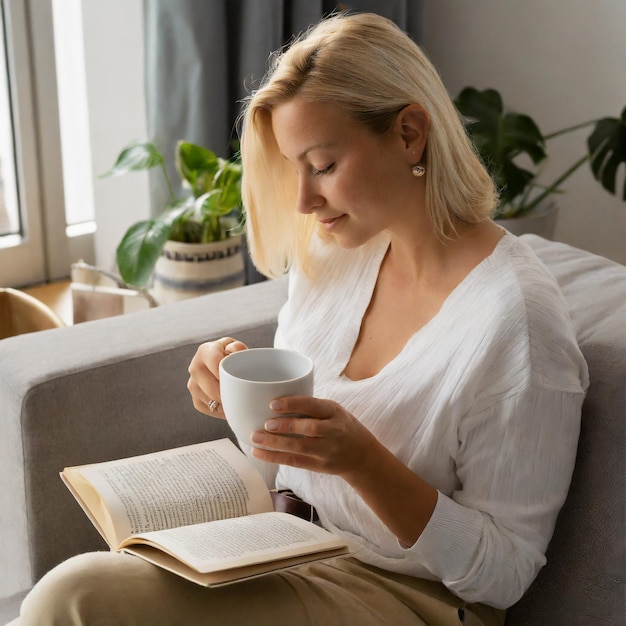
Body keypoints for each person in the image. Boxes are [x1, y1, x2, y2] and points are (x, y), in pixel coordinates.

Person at [13, 12, 587, 626]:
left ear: (410, 134)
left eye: (323, 165)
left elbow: (504, 574)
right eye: (294, 168)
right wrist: (231, 392)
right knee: (75, 594)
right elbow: (285, 468)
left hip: (408, 597)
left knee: (71, 597)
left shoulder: (518, 324)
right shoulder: (338, 258)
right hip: (285, 548)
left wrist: (363, 462)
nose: (303, 202)